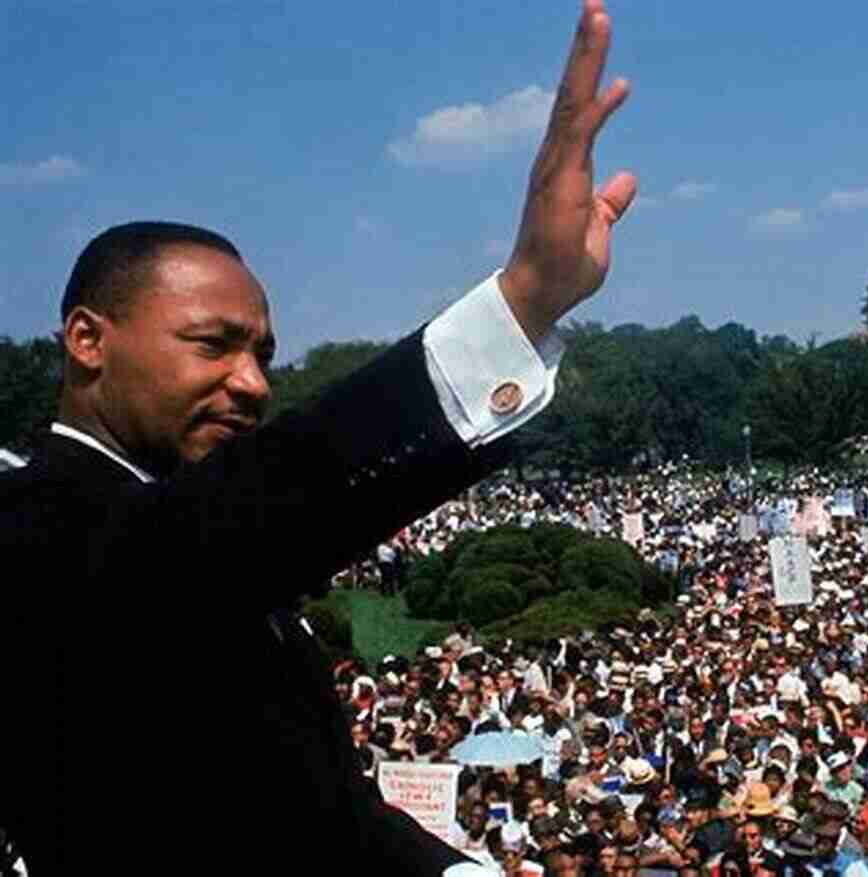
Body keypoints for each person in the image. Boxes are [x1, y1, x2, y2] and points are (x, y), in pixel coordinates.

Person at [0, 1, 636, 874]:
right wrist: (524, 299)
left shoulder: (201, 548)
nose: (254, 382)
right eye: (213, 344)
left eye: (263, 353)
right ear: (87, 339)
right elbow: (249, 510)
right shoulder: (37, 530)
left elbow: (323, 809)